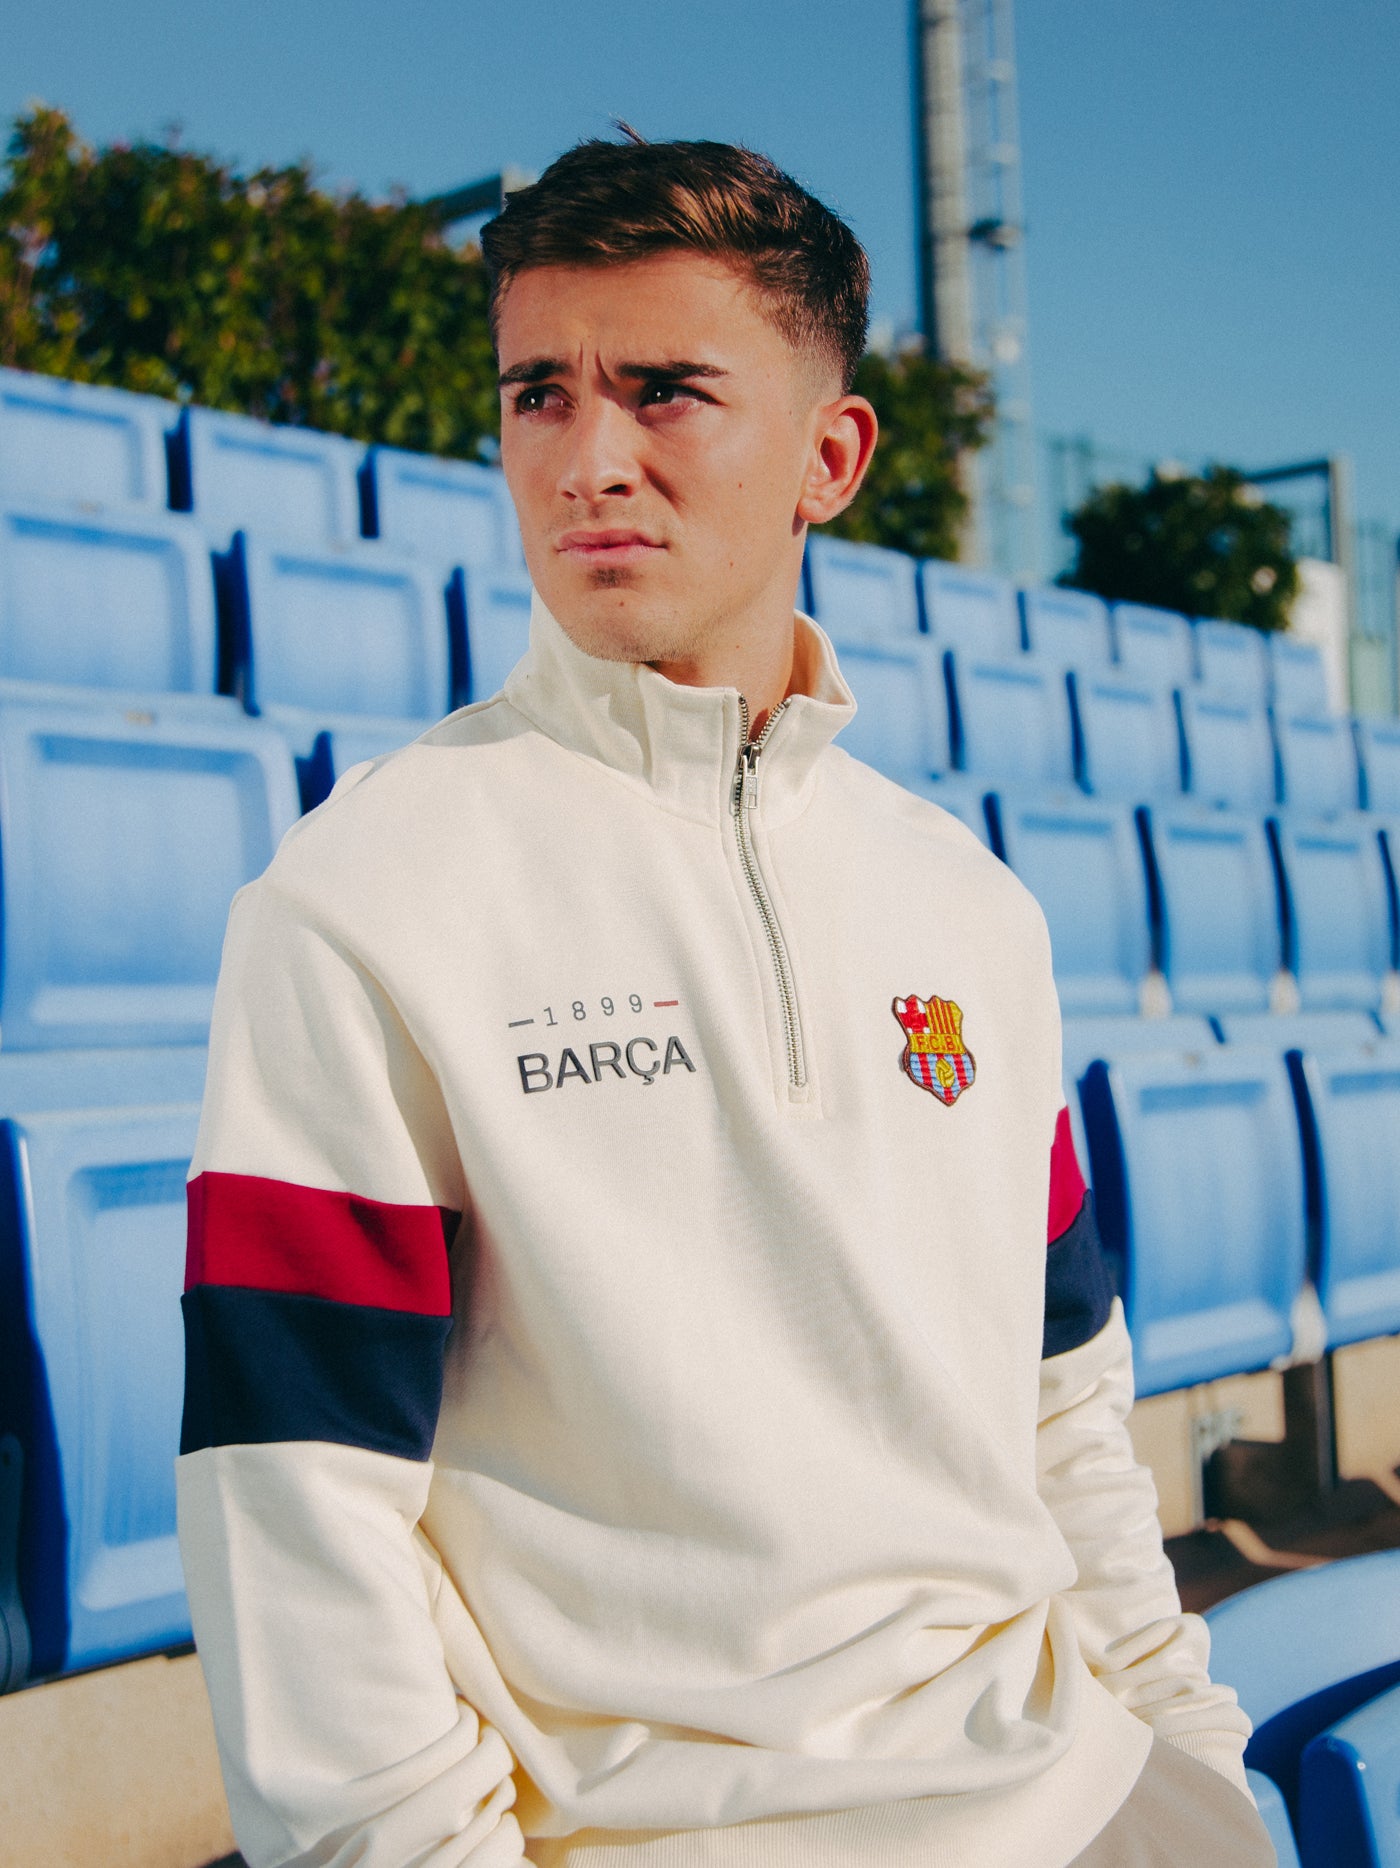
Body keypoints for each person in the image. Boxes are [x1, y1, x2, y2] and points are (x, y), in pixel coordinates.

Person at [176, 134, 1275, 1867]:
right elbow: (297, 1497)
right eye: (539, 393)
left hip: (1072, 1794)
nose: (587, 459)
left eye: (666, 390)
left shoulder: (971, 910)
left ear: (830, 457)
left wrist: (1194, 1765)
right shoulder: (357, 900)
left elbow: (1062, 1399)